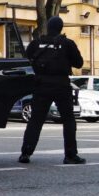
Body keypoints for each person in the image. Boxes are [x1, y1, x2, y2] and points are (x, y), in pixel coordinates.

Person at [19, 16, 85, 165]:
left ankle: (25, 153)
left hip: (41, 84)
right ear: (61, 28)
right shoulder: (67, 44)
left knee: (36, 120)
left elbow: (26, 60)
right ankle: (70, 155)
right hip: (61, 85)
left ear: (48, 27)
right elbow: (79, 63)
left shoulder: (36, 43)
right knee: (68, 120)